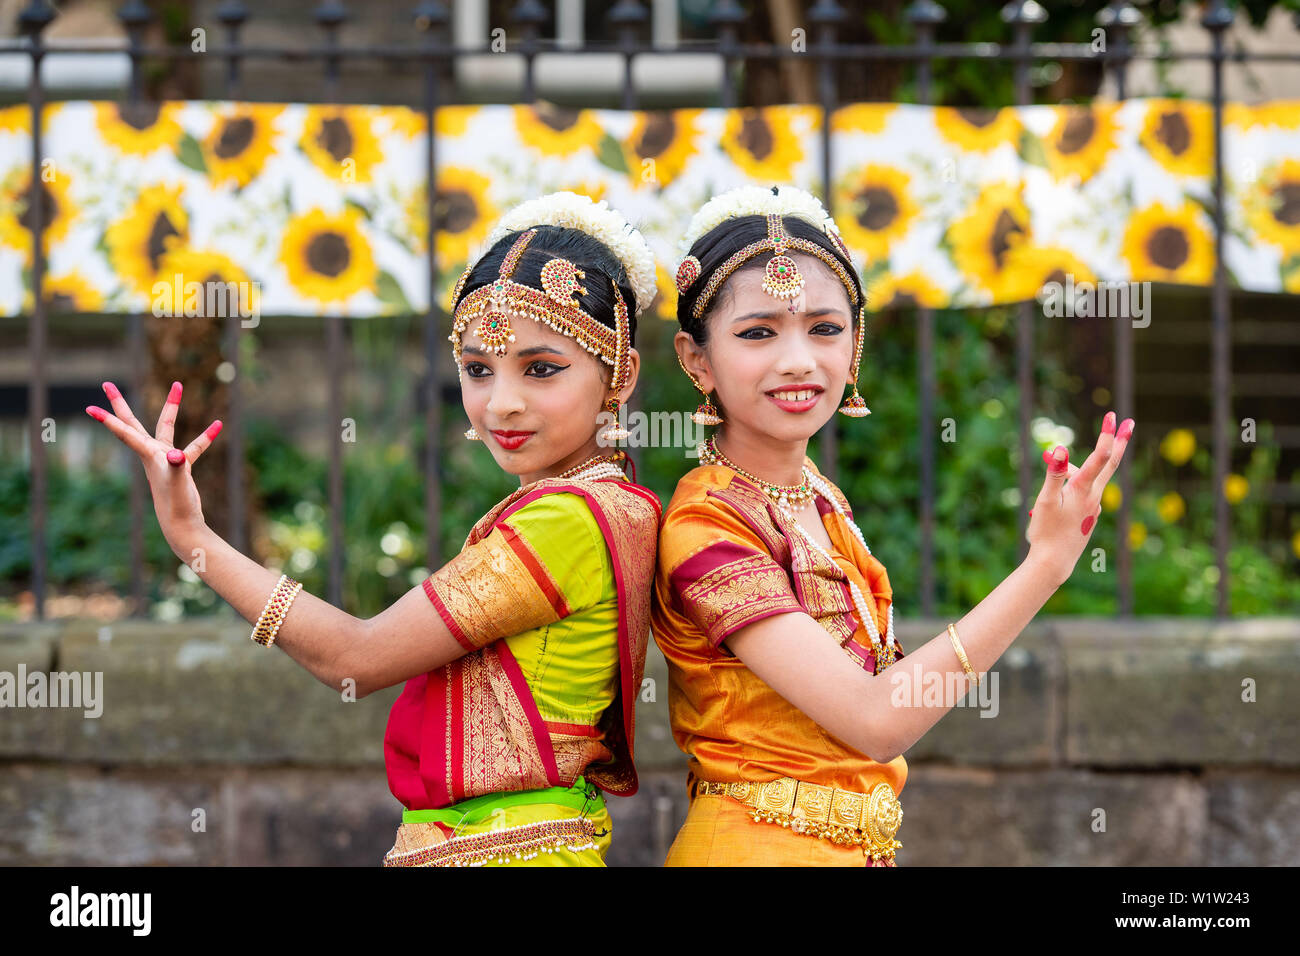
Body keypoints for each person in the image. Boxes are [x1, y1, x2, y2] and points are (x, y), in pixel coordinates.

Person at [87, 191, 663, 867]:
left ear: (620, 374)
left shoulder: (567, 521)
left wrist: (195, 540)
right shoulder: (608, 503)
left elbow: (353, 659)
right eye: (478, 369)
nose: (501, 403)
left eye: (541, 369)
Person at [652, 184, 1134, 866]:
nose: (798, 360)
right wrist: (1044, 569)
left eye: (824, 328)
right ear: (695, 359)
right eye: (758, 332)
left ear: (854, 347)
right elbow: (877, 720)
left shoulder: (819, 500)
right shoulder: (706, 527)